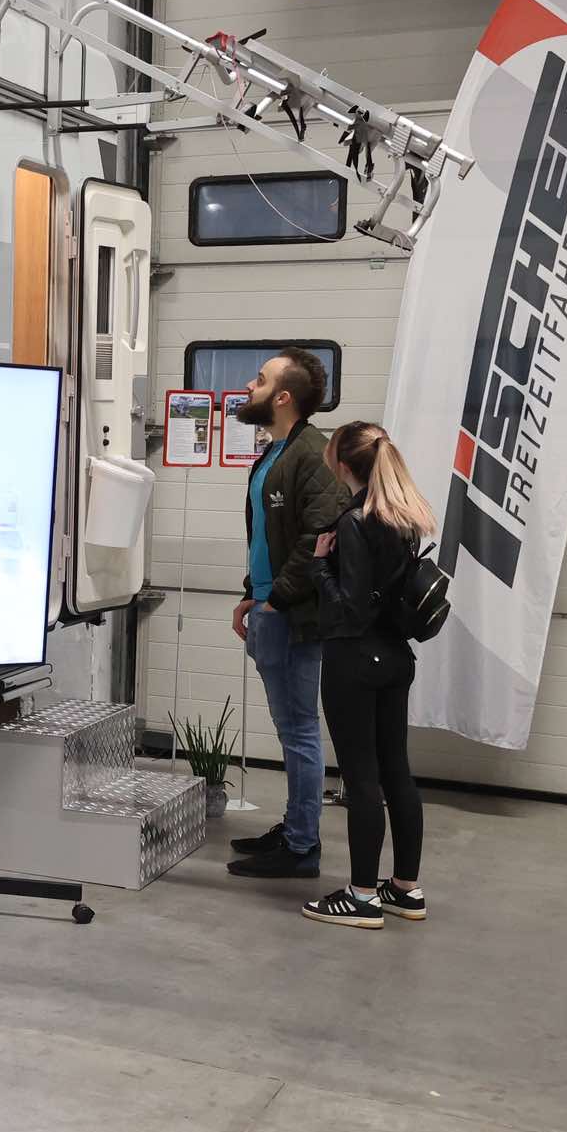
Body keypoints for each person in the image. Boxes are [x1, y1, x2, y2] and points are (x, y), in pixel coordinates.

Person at [300, 421, 433, 928]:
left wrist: (319, 566)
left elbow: (351, 609)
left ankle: (360, 895)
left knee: (361, 778)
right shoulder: (404, 519)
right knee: (396, 771)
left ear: (342, 465)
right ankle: (405, 888)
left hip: (354, 660)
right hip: (396, 658)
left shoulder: (355, 522)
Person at [226, 348, 347, 880]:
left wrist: (277, 599)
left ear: (282, 397)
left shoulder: (311, 454)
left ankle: (302, 847)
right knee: (290, 729)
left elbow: (319, 535)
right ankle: (296, 828)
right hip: (271, 606)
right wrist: (252, 593)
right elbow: (269, 537)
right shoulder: (276, 452)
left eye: (259, 380)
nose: (247, 387)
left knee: (298, 731)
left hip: (293, 616)